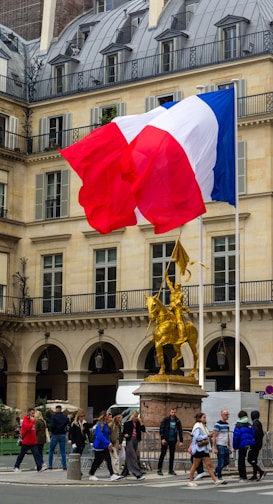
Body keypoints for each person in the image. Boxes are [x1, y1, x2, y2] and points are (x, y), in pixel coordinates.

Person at [188, 412, 225, 487]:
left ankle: (215, 480)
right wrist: (206, 436)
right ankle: (190, 480)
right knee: (195, 465)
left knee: (209, 465)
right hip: (198, 448)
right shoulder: (197, 426)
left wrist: (209, 436)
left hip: (204, 448)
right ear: (199, 418)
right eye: (203, 417)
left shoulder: (203, 426)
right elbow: (197, 437)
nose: (205, 419)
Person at [88, 411, 120, 481]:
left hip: (104, 445)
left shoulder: (105, 424)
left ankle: (112, 474)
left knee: (108, 459)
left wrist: (108, 443)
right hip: (99, 446)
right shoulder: (99, 425)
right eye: (107, 415)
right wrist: (108, 443)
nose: (108, 417)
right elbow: (99, 436)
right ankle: (91, 473)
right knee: (97, 461)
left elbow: (107, 435)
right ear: (104, 416)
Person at [14, 407, 46, 472]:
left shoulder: (35, 420)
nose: (33, 414)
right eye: (32, 413)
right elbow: (27, 428)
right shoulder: (25, 420)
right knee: (22, 454)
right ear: (28, 413)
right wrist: (32, 422)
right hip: (26, 441)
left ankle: (39, 467)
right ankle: (16, 466)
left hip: (33, 441)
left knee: (36, 454)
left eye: (34, 413)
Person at [157, 407, 183, 476]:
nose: (173, 414)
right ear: (170, 412)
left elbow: (180, 430)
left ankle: (170, 470)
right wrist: (162, 438)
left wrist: (181, 441)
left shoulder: (177, 420)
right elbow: (161, 428)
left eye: (174, 412)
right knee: (163, 454)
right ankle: (159, 469)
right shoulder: (166, 419)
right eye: (172, 412)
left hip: (173, 439)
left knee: (172, 455)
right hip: (165, 439)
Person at [232, 410, 256, 482]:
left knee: (241, 461)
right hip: (249, 444)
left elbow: (236, 437)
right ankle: (244, 476)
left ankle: (243, 477)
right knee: (243, 459)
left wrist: (235, 446)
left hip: (241, 444)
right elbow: (253, 434)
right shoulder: (249, 424)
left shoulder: (238, 425)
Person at [165, 273, 190, 340]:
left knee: (179, 321)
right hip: (171, 308)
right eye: (175, 285)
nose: (175, 287)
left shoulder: (180, 294)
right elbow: (169, 285)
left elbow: (178, 301)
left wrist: (173, 304)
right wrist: (166, 277)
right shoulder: (173, 292)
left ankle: (181, 335)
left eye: (176, 286)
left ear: (179, 287)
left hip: (177, 309)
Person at [122, 410, 145, 480]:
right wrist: (125, 435)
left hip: (136, 440)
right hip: (130, 440)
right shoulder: (127, 424)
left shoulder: (138, 423)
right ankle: (138, 474)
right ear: (132, 416)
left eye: (137, 416)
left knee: (129, 458)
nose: (136, 418)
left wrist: (141, 422)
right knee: (133, 457)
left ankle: (124, 473)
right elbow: (123, 433)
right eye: (135, 416)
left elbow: (143, 430)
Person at [48, 404, 70, 470]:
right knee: (63, 451)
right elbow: (68, 425)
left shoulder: (53, 417)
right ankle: (64, 466)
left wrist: (51, 431)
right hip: (62, 435)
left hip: (55, 434)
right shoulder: (65, 417)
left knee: (51, 450)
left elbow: (52, 426)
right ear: (61, 409)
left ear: (56, 409)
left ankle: (50, 465)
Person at [213, 409, 232, 481]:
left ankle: (216, 470)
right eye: (225, 414)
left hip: (225, 445)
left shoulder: (227, 424)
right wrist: (215, 447)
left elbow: (227, 436)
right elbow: (214, 436)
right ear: (222, 415)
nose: (227, 416)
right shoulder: (218, 424)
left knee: (227, 461)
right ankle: (220, 477)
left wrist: (229, 446)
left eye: (227, 414)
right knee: (221, 462)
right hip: (219, 444)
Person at [247, 410, 266, 481]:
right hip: (258, 445)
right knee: (254, 460)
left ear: (252, 416)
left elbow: (255, 434)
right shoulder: (259, 423)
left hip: (254, 445)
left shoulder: (255, 424)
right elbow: (262, 434)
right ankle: (255, 475)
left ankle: (261, 471)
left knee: (250, 459)